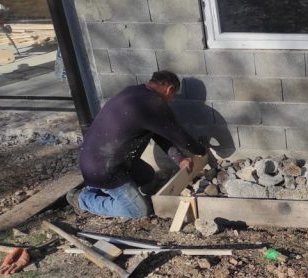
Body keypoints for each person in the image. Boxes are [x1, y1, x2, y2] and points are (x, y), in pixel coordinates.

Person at [67, 70, 206, 218]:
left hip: (97, 160)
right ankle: (82, 200)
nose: (171, 100)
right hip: (105, 169)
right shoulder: (153, 104)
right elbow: (181, 137)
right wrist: (201, 151)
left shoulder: (135, 93)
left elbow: (160, 135)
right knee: (139, 211)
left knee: (148, 178)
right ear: (169, 89)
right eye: (173, 96)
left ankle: (95, 187)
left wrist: (180, 159)